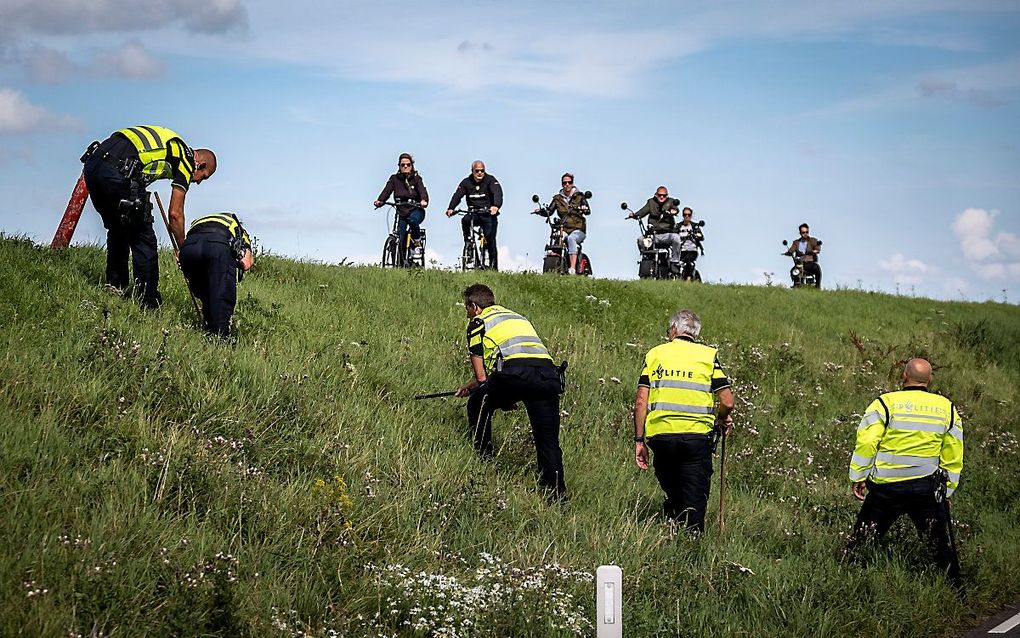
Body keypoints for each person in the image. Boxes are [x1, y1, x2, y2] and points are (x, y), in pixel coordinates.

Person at [845, 358, 963, 585]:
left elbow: (867, 443)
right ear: (929, 380)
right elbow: (953, 453)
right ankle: (955, 591)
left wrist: (858, 477)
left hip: (886, 488)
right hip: (926, 489)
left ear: (904, 376)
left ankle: (847, 581)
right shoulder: (946, 408)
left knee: (861, 541)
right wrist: (947, 491)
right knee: (939, 546)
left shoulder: (885, 403)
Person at [80, 125, 216, 308]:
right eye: (203, 176)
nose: (198, 181)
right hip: (119, 170)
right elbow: (175, 214)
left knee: (118, 228)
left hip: (93, 166)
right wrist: (183, 248)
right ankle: (148, 301)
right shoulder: (186, 158)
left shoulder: (168, 143)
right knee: (143, 238)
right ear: (201, 164)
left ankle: (115, 286)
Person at [454, 284, 567, 501]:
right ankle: (556, 496)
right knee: (548, 440)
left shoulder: (478, 322)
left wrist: (490, 393)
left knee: (477, 403)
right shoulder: (517, 317)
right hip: (547, 376)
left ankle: (483, 462)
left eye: (466, 309)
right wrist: (501, 394)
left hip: (516, 375)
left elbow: (482, 378)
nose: (466, 315)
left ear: (474, 306)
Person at [633, 309, 734, 532]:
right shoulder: (708, 356)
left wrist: (639, 440)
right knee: (694, 494)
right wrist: (721, 420)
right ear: (695, 333)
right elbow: (727, 401)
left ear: (674, 329)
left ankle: (675, 521)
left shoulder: (655, 354)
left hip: (661, 437)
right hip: (696, 437)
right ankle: (691, 541)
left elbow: (641, 401)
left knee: (673, 485)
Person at [178, 212, 254, 338]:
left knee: (205, 293)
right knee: (221, 295)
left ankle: (208, 328)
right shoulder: (237, 228)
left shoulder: (199, 220)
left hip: (189, 248)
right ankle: (220, 339)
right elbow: (246, 262)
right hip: (217, 245)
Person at [374, 153, 429, 266]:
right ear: (399, 166)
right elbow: (387, 191)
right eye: (402, 164)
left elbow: (423, 192)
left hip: (416, 210)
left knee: (413, 221)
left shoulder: (417, 179)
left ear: (412, 166)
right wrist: (380, 201)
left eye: (408, 164)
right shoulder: (394, 179)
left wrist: (423, 200)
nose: (405, 167)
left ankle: (417, 243)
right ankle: (400, 264)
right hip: (401, 212)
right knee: (401, 237)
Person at [446, 161, 503, 270]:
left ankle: (493, 268)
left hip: (488, 213)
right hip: (474, 213)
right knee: (465, 220)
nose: (480, 173)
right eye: (477, 171)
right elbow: (458, 195)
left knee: (490, 239)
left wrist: (496, 206)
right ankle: (468, 243)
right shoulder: (466, 182)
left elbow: (498, 193)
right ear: (472, 171)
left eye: (482, 171)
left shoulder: (491, 180)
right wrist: (451, 208)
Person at [536, 173, 590, 274]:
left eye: (569, 182)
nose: (567, 185)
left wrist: (583, 209)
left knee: (571, 239)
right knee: (557, 237)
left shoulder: (580, 196)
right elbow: (550, 210)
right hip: (564, 228)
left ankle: (572, 269)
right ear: (562, 184)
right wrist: (541, 211)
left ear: (573, 183)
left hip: (578, 229)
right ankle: (554, 263)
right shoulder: (558, 198)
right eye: (564, 183)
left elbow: (588, 210)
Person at [627, 186, 683, 276]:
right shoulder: (651, 202)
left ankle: (674, 263)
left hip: (667, 234)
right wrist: (634, 215)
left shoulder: (671, 201)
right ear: (656, 195)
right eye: (660, 195)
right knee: (641, 240)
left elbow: (675, 210)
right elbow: (643, 211)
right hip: (653, 235)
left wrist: (672, 212)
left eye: (664, 196)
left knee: (676, 238)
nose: (661, 197)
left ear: (667, 196)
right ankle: (646, 259)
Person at [784, 223, 822, 288]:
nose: (805, 234)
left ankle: (817, 287)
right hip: (799, 263)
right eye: (803, 232)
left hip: (810, 263)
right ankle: (796, 285)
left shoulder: (813, 240)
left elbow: (817, 249)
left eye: (807, 232)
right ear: (800, 233)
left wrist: (814, 251)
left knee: (817, 268)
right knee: (793, 271)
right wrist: (789, 252)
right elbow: (792, 249)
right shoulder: (796, 242)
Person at [676, 207, 705, 280]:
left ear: (691, 215)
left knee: (688, 260)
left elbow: (702, 237)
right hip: (681, 250)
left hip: (692, 250)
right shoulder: (678, 226)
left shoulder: (695, 226)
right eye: (685, 215)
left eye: (689, 215)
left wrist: (697, 235)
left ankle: (688, 278)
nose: (687, 216)